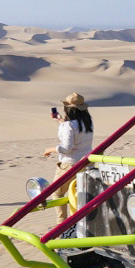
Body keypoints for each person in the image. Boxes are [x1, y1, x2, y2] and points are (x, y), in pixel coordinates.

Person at [42, 92, 94, 224]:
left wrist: (50, 149)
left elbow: (66, 148)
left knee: (57, 193)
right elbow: (73, 129)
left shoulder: (69, 126)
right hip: (87, 164)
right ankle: (79, 221)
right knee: (79, 194)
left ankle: (62, 223)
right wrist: (60, 121)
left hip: (70, 165)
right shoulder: (88, 123)